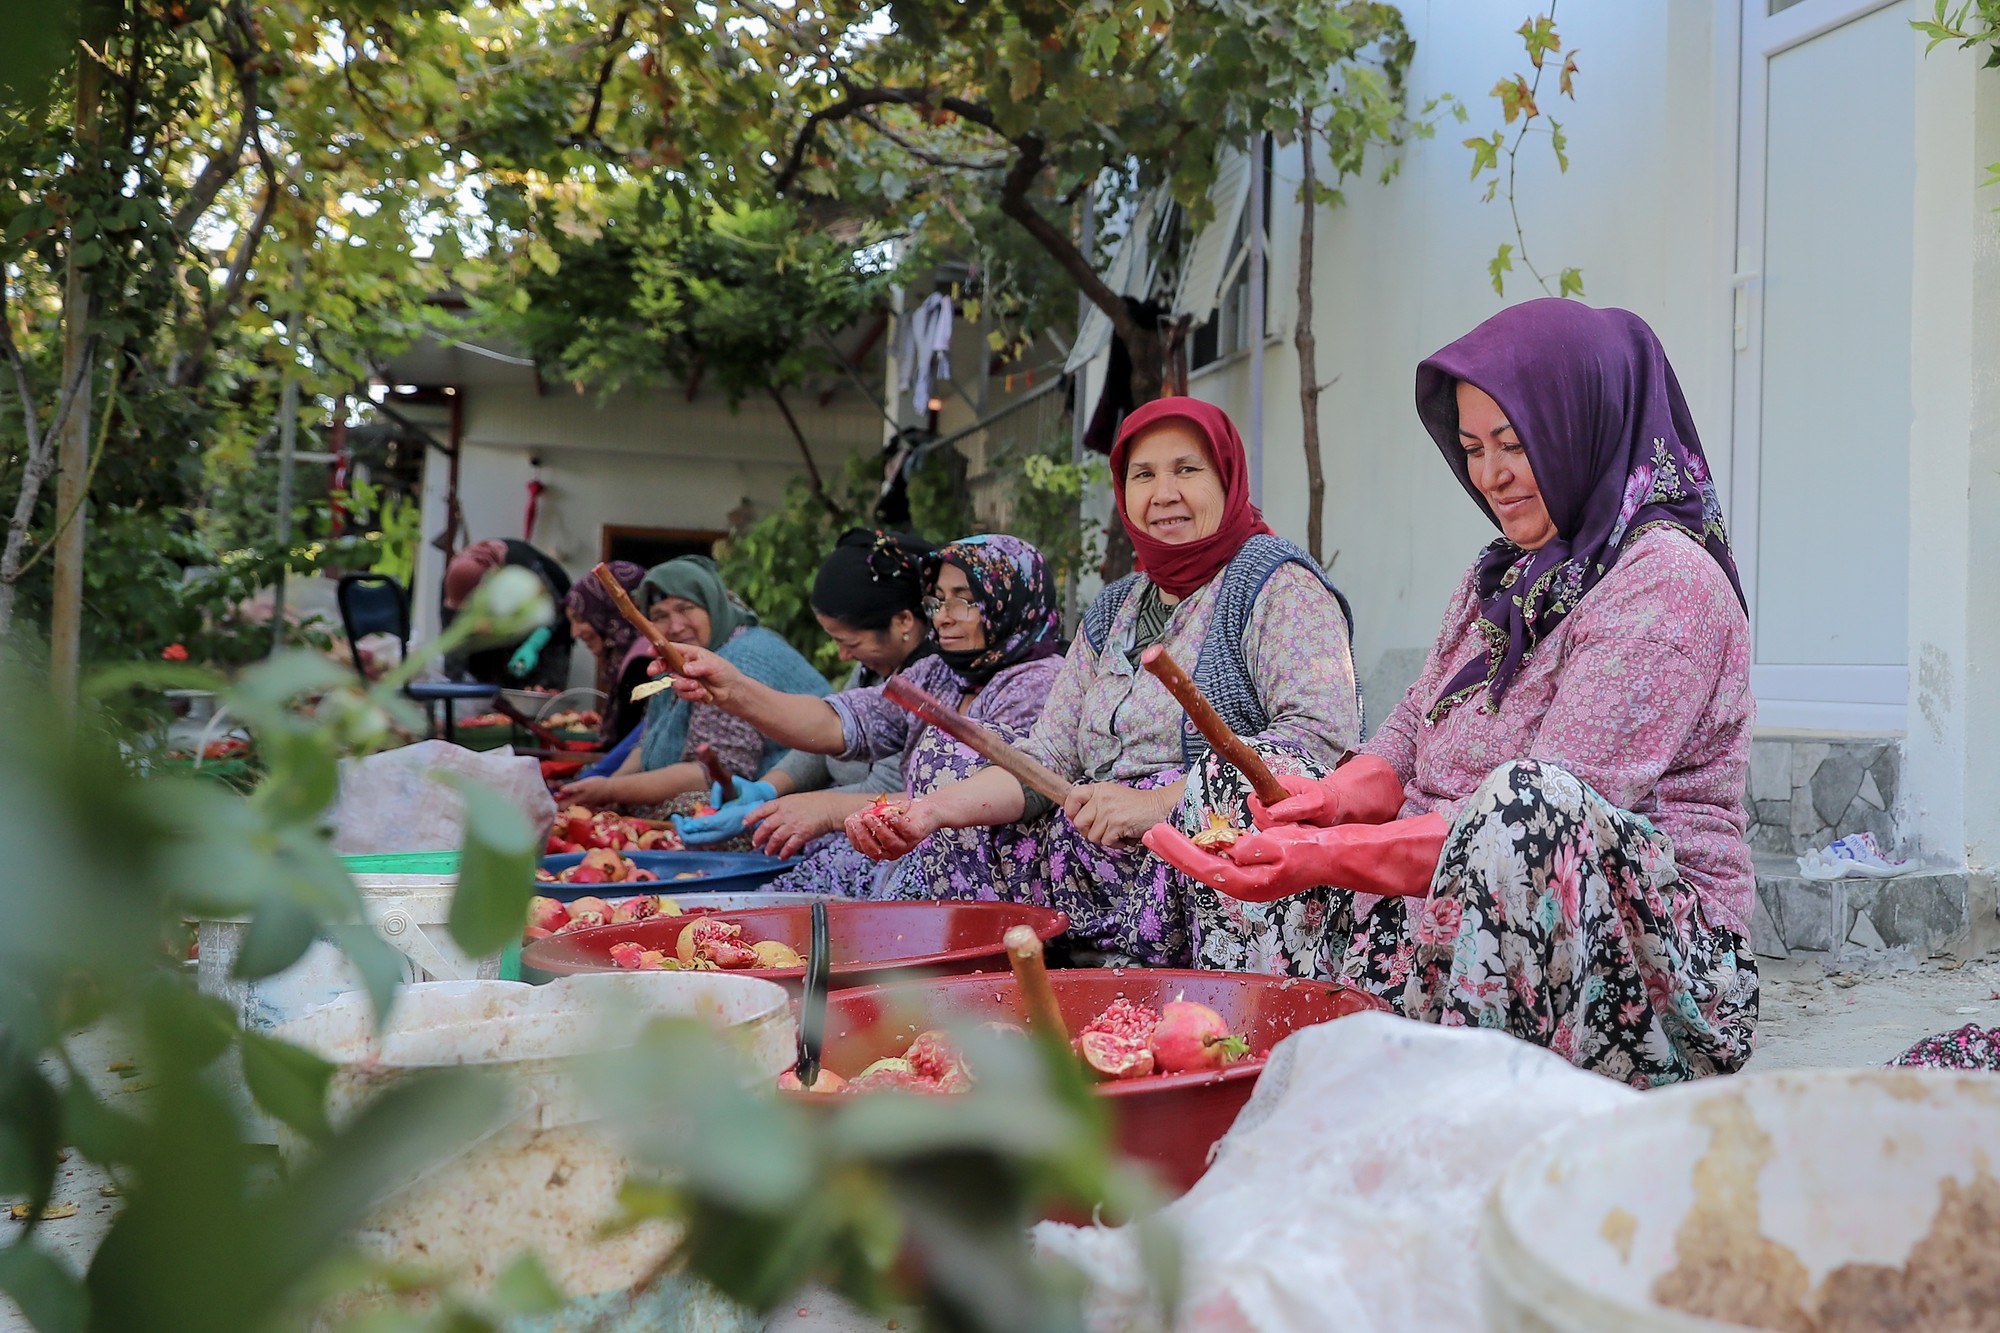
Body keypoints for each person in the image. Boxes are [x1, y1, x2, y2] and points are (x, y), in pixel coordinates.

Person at [1147, 299, 1759, 1087]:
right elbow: (1410, 726)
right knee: (1235, 779)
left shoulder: (1666, 582)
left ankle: (1475, 1103)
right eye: (1473, 448)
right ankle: (1267, 1069)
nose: (1490, 474)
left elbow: (1536, 817)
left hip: (1643, 963)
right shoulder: (1502, 571)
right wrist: (1325, 804)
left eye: (1515, 442)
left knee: (1525, 803)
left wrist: (1322, 855)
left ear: (1582, 421)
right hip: (1443, 902)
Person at [842, 399, 1362, 971]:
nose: (1163, 492)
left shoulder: (1277, 585)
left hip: (1203, 868)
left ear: (1228, 477)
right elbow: (1048, 757)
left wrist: (1160, 805)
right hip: (1094, 854)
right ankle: (984, 990)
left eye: (1186, 470)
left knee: (1198, 784)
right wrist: (929, 813)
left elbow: (1319, 743)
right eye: (1144, 475)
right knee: (949, 761)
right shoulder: (1117, 605)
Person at [670, 534, 1065, 896]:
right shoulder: (938, 673)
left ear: (1008, 602)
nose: (943, 616)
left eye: (963, 600)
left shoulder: (1036, 684)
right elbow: (834, 724)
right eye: (939, 600)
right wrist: (731, 689)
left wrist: (826, 810)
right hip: (911, 854)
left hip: (985, 880)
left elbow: (977, 798)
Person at [674, 529, 935, 852]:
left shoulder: (932, 685)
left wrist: (799, 810)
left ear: (904, 621)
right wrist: (768, 789)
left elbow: (885, 790)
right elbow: (827, 732)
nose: (842, 655)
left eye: (849, 642)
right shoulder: (873, 667)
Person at [555, 556, 829, 813]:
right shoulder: (677, 660)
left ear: (712, 604)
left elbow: (711, 773)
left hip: (785, 800)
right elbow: (647, 744)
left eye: (686, 608)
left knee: (688, 808)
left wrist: (610, 789)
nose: (675, 626)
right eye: (660, 615)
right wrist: (605, 787)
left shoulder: (741, 657)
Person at [442, 539, 573, 690]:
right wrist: (450, 693)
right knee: (490, 689)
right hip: (496, 635)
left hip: (548, 629)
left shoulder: (525, 568)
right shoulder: (454, 582)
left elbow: (552, 610)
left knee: (538, 689)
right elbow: (451, 642)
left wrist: (533, 644)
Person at [559, 559, 650, 747]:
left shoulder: (642, 664)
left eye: (581, 619)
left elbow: (629, 743)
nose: (574, 633)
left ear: (613, 612)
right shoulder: (628, 660)